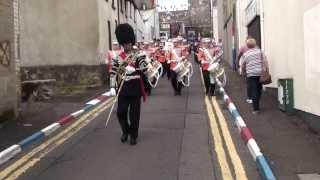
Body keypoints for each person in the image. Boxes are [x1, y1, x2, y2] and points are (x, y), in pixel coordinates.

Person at [110, 23, 147, 145]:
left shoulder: (139, 55)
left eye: (129, 43)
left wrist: (137, 69)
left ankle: (133, 135)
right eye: (124, 43)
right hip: (123, 87)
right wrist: (112, 87)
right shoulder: (118, 57)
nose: (127, 45)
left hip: (135, 87)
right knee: (121, 112)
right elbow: (113, 72)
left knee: (134, 114)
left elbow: (144, 69)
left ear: (132, 41)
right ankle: (125, 131)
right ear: (122, 43)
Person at [241, 38, 267, 114]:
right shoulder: (260, 51)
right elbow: (265, 60)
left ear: (247, 46)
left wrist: (243, 73)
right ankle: (257, 102)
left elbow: (243, 65)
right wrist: (266, 69)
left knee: (254, 90)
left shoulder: (246, 54)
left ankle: (256, 109)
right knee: (259, 89)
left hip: (251, 74)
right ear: (255, 44)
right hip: (260, 73)